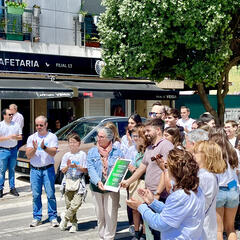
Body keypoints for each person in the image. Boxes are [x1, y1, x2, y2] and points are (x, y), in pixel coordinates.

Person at [126, 149, 205, 240]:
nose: (166, 169)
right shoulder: (195, 189)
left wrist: (140, 207)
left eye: (167, 166)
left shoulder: (179, 196)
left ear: (175, 170)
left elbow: (160, 224)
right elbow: (173, 212)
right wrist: (152, 202)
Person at [121, 118, 174, 240]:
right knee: (152, 230)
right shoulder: (150, 148)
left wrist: (157, 194)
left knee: (160, 230)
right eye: (145, 131)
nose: (145, 134)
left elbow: (165, 171)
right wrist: (128, 181)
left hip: (161, 195)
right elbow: (142, 168)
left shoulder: (166, 146)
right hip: (150, 194)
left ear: (158, 130)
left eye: (148, 131)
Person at [87, 126, 123, 240]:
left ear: (109, 138)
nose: (98, 138)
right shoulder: (92, 151)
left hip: (111, 187)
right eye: (98, 136)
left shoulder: (118, 152)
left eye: (101, 137)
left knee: (110, 215)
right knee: (100, 215)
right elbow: (90, 168)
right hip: (96, 187)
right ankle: (102, 236)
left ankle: (109, 237)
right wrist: (98, 181)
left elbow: (121, 168)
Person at [26, 115, 59, 228]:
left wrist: (44, 147)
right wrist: (35, 148)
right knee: (36, 195)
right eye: (37, 125)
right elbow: (28, 155)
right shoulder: (31, 138)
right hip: (35, 170)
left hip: (48, 169)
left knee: (50, 194)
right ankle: (37, 217)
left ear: (46, 125)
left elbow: (53, 152)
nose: (39, 127)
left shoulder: (52, 137)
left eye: (41, 125)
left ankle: (53, 217)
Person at [208, 128, 239, 240]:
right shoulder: (234, 151)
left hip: (218, 190)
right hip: (233, 190)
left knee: (218, 229)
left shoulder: (210, 152)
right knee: (230, 227)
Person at [193, 141, 227, 240]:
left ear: (206, 155)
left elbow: (199, 205)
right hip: (206, 226)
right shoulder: (207, 174)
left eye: (196, 152)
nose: (193, 154)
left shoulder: (204, 176)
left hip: (202, 228)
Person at [59, 133, 88, 233]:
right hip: (68, 181)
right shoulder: (66, 155)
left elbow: (85, 170)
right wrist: (67, 166)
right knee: (69, 204)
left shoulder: (82, 154)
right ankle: (74, 224)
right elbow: (62, 170)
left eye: (74, 142)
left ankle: (65, 217)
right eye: (70, 142)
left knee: (76, 203)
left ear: (78, 143)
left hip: (79, 181)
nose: (72, 144)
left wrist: (77, 167)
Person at [127, 125, 147, 240]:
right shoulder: (138, 152)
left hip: (143, 183)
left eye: (138, 136)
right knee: (135, 209)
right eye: (134, 136)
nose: (136, 139)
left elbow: (144, 170)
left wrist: (135, 170)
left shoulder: (148, 152)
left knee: (144, 209)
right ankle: (136, 231)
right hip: (135, 183)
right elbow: (135, 166)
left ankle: (144, 233)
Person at [0, 108, 22, 198]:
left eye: (12, 114)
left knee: (12, 169)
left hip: (13, 150)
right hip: (3, 150)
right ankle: (0, 188)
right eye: (9, 114)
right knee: (2, 170)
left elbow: (20, 137)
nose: (11, 116)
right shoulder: (0, 125)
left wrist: (15, 137)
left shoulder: (16, 125)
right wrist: (9, 137)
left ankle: (12, 188)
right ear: (4, 115)